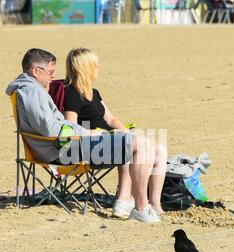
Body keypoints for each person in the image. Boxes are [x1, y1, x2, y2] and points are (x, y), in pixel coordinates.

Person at [5, 48, 165, 223]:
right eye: (50, 72)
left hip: (64, 145)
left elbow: (55, 125)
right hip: (62, 150)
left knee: (140, 142)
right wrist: (86, 132)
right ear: (36, 71)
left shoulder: (32, 90)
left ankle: (139, 203)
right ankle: (140, 207)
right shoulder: (32, 92)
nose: (53, 76)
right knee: (139, 143)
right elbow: (50, 129)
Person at [62, 47, 167, 219]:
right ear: (85, 69)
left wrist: (125, 131)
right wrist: (97, 133)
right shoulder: (71, 94)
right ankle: (128, 201)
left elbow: (110, 119)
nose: (99, 68)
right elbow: (70, 127)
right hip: (88, 147)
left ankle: (155, 205)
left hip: (109, 140)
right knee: (133, 146)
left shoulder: (93, 93)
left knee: (159, 150)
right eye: (96, 66)